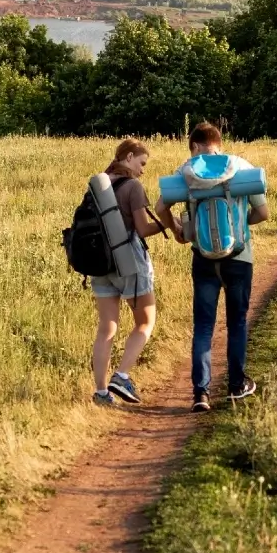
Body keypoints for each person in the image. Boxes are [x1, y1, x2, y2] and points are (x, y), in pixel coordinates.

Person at [154, 122, 270, 413]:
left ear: (194, 146)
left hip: (203, 258)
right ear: (220, 142)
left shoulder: (186, 171)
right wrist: (239, 224)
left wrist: (179, 230)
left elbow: (159, 209)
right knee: (237, 323)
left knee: (204, 326)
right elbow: (263, 212)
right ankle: (236, 386)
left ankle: (200, 393)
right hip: (239, 258)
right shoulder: (240, 166)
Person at [91, 138, 181, 408]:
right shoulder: (132, 186)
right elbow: (142, 229)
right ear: (128, 157)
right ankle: (122, 375)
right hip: (128, 260)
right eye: (142, 163)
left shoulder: (100, 185)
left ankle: (101, 392)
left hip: (99, 262)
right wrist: (169, 224)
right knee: (145, 321)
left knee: (107, 326)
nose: (143, 170)